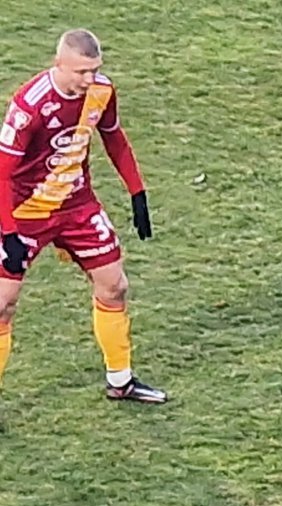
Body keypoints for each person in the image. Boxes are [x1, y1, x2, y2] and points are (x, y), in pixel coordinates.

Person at [0, 29, 166, 405]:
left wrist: (137, 191)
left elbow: (114, 138)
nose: (89, 79)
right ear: (58, 63)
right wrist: (9, 232)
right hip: (25, 212)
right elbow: (2, 172)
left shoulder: (102, 91)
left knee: (114, 285)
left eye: (95, 69)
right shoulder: (30, 105)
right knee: (2, 304)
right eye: (81, 72)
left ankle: (120, 381)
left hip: (77, 206)